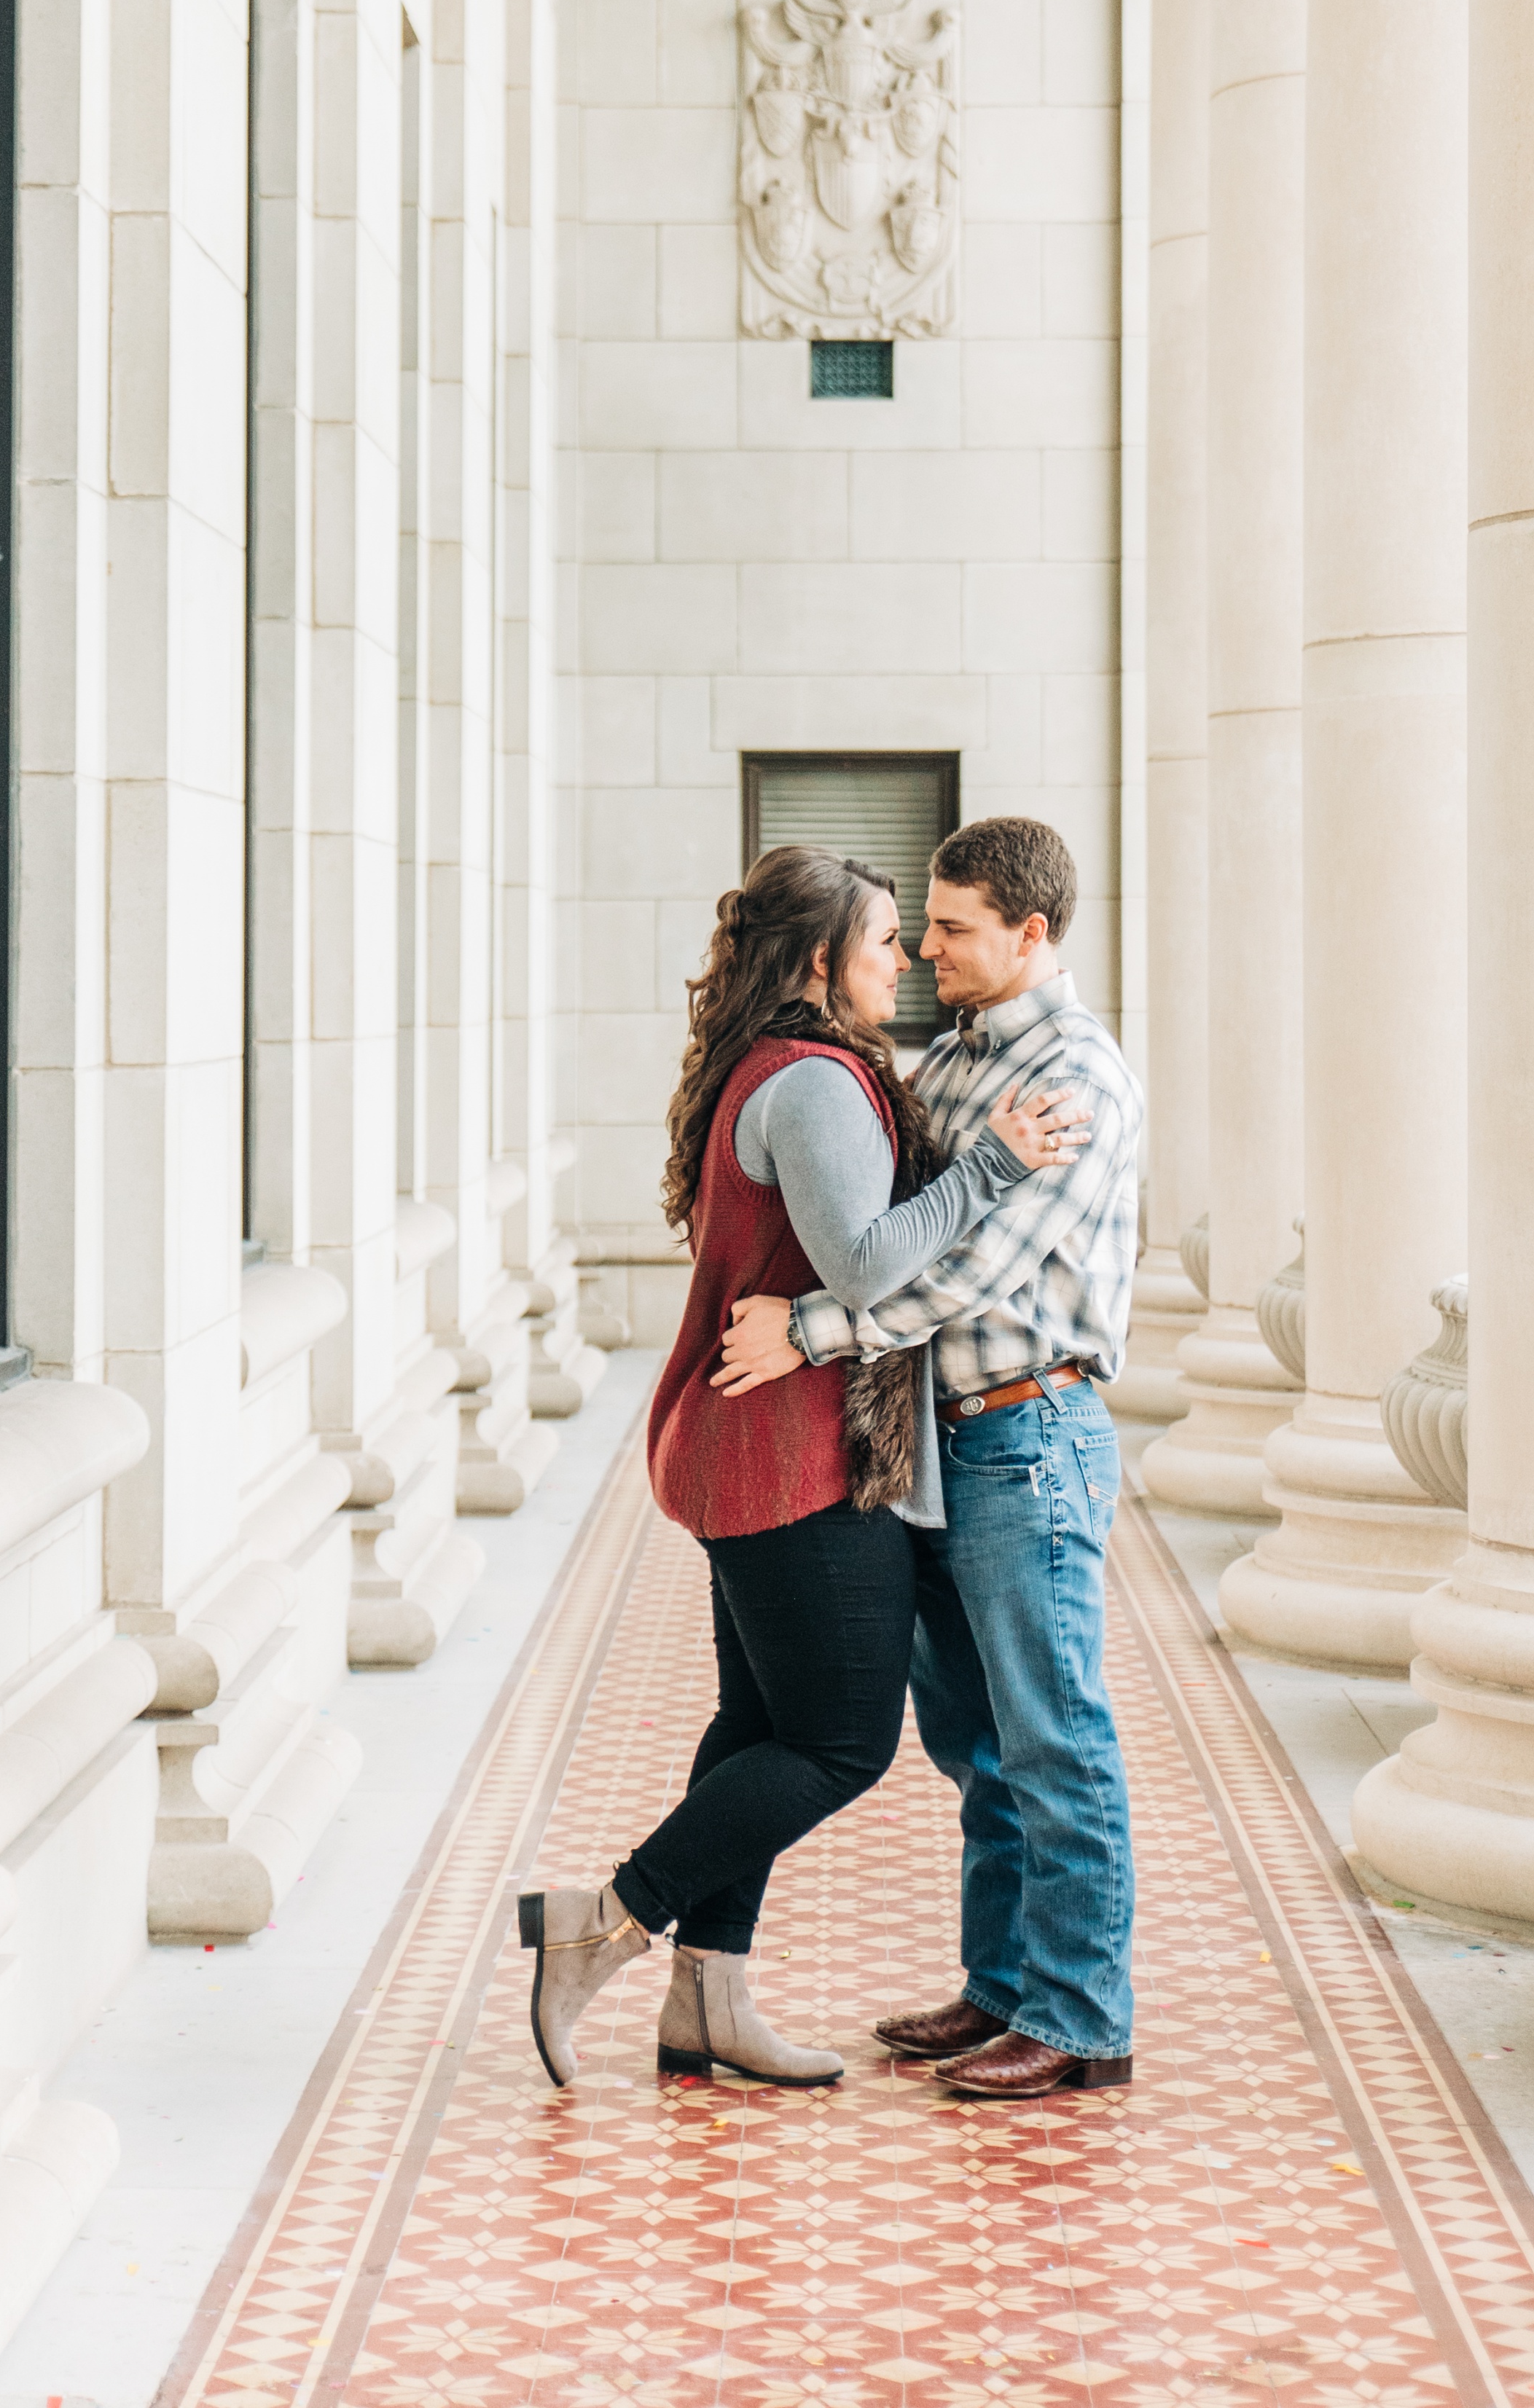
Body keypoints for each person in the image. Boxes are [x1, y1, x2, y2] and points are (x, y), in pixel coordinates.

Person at [514, 841, 1090, 2091]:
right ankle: (600, 1924)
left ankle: (707, 2003)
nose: (910, 960)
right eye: (890, 940)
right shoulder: (818, 1083)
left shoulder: (791, 1067)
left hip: (764, 1442)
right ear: (825, 961)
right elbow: (872, 1262)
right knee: (840, 1743)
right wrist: (996, 1163)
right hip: (788, 1457)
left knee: (760, 1724)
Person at [713, 816, 1143, 2104]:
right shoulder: (951, 1062)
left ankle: (1081, 2019)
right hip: (944, 1446)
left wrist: (805, 1333)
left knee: (1055, 1734)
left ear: (1034, 933)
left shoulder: (1076, 1082)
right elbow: (891, 1226)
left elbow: (961, 1270)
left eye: (952, 932)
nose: (927, 955)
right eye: (923, 929)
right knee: (976, 1740)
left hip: (1030, 1431)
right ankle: (1003, 1988)